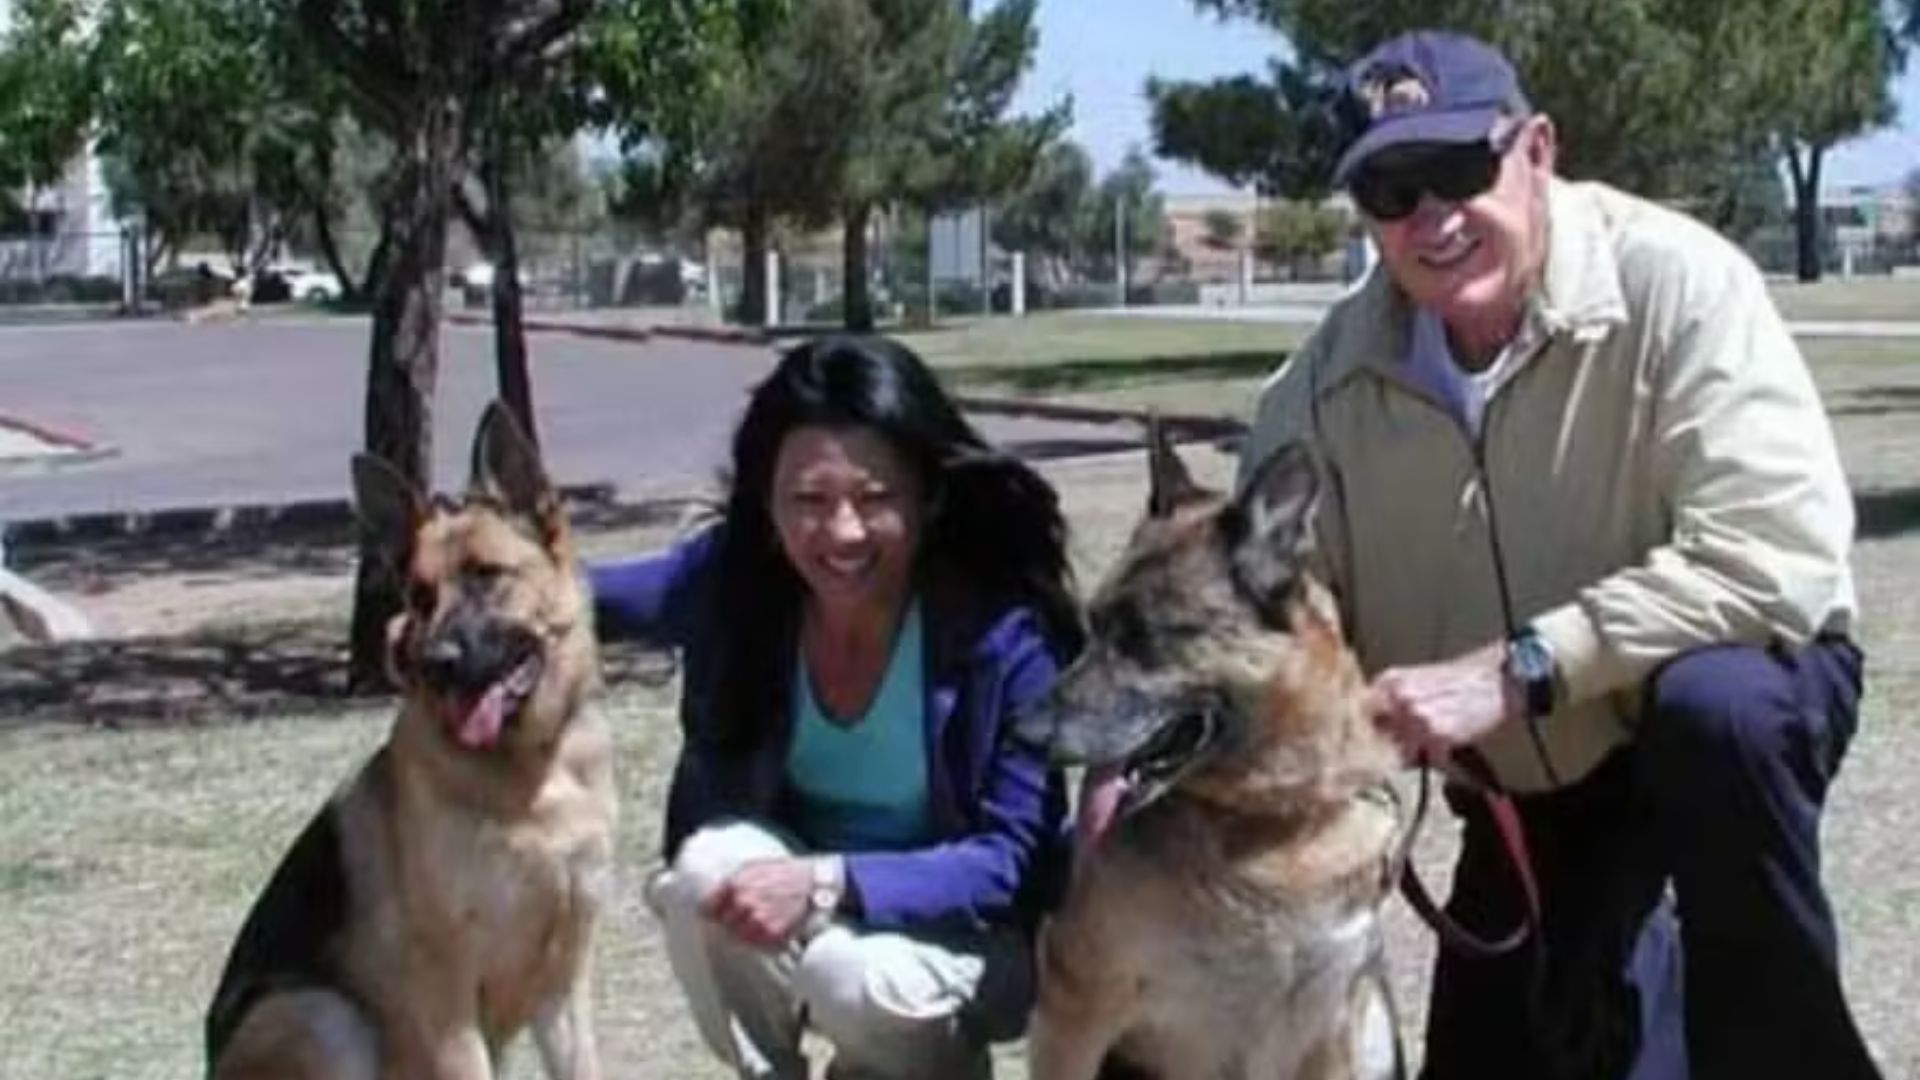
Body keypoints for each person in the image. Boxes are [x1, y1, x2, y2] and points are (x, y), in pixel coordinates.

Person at [1236, 29, 1880, 1080]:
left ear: (1536, 149)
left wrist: (1519, 667)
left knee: (1721, 719)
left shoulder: (1681, 284)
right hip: (1529, 789)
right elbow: (1266, 616)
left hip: (1704, 718)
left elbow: (1773, 559)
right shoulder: (1314, 396)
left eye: (1458, 168)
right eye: (1391, 191)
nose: (1431, 217)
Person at [591, 334, 1082, 1080]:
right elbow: (580, 595)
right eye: (809, 501)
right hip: (816, 917)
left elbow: (1013, 859)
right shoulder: (739, 581)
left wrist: (827, 881)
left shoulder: (1000, 630)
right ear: (767, 502)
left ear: (928, 494)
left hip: (970, 940)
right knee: (705, 874)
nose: (841, 532)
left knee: (848, 979)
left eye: (875, 498)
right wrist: (463, 570)